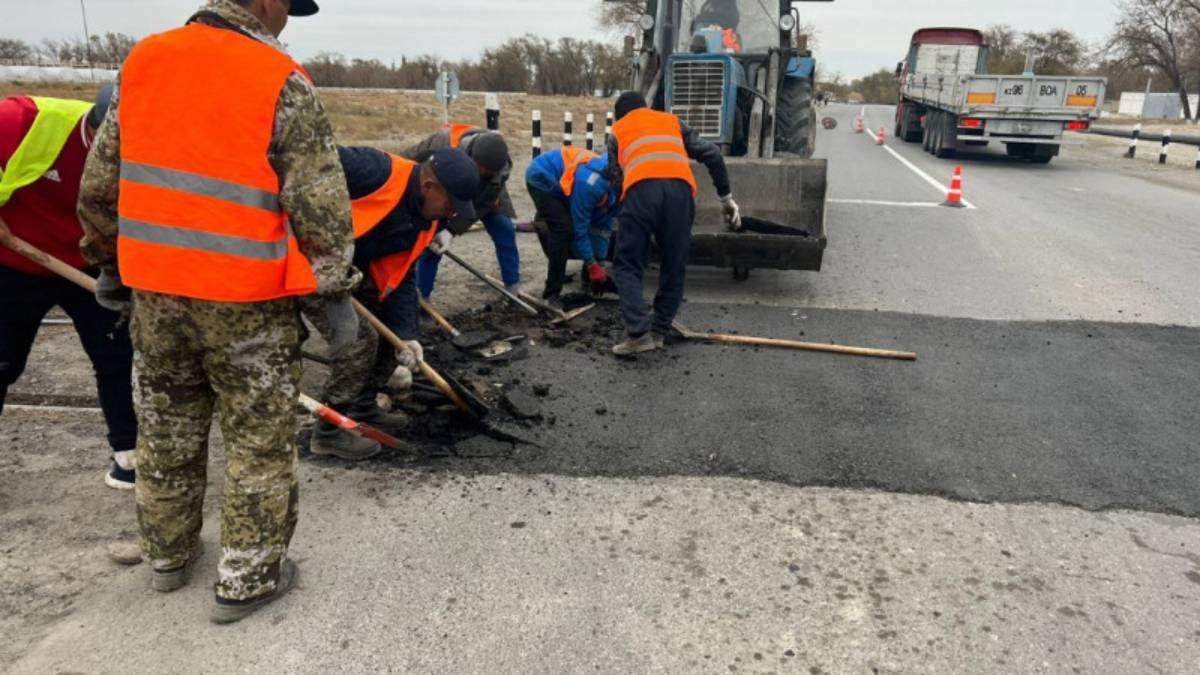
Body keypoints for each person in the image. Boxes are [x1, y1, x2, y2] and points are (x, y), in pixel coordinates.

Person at [77, 0, 357, 624]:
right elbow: (317, 199)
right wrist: (333, 289)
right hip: (245, 304)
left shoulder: (144, 61)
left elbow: (101, 182)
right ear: (266, 1)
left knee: (167, 428)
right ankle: (249, 577)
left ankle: (168, 557)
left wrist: (108, 262)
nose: (287, 19)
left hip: (157, 298)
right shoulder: (279, 77)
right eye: (289, 6)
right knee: (259, 440)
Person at [0, 86, 139, 490]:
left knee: (118, 356)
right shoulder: (24, 122)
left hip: (92, 266)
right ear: (96, 130)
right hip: (13, 266)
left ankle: (130, 458)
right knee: (2, 362)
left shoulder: (149, 159)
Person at [305, 145, 479, 460]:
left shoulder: (428, 220)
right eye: (450, 208)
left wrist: (406, 334)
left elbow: (400, 280)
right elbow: (306, 161)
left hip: (351, 271)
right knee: (358, 340)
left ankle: (363, 407)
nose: (448, 216)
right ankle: (329, 430)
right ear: (429, 187)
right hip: (305, 264)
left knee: (391, 336)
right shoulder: (373, 171)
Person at [606, 91, 741, 355]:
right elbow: (712, 154)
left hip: (640, 192)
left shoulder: (618, 130)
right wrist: (726, 198)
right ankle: (659, 331)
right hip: (680, 194)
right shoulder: (671, 121)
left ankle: (638, 332)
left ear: (621, 115)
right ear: (646, 108)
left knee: (626, 265)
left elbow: (615, 178)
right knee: (674, 264)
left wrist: (628, 216)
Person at [402, 123, 520, 297]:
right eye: (480, 172)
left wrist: (452, 230)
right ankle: (422, 298)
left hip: (485, 196)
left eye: (486, 174)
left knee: (504, 229)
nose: (482, 175)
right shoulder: (441, 144)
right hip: (447, 190)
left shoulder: (499, 167)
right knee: (434, 244)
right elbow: (405, 164)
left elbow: (481, 204)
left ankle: (512, 290)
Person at [525, 147, 620, 304]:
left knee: (589, 221)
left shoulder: (617, 187)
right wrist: (591, 263)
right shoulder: (591, 185)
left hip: (567, 182)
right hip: (542, 176)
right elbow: (579, 230)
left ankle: (588, 278)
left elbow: (604, 227)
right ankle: (552, 294)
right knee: (563, 230)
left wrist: (600, 263)